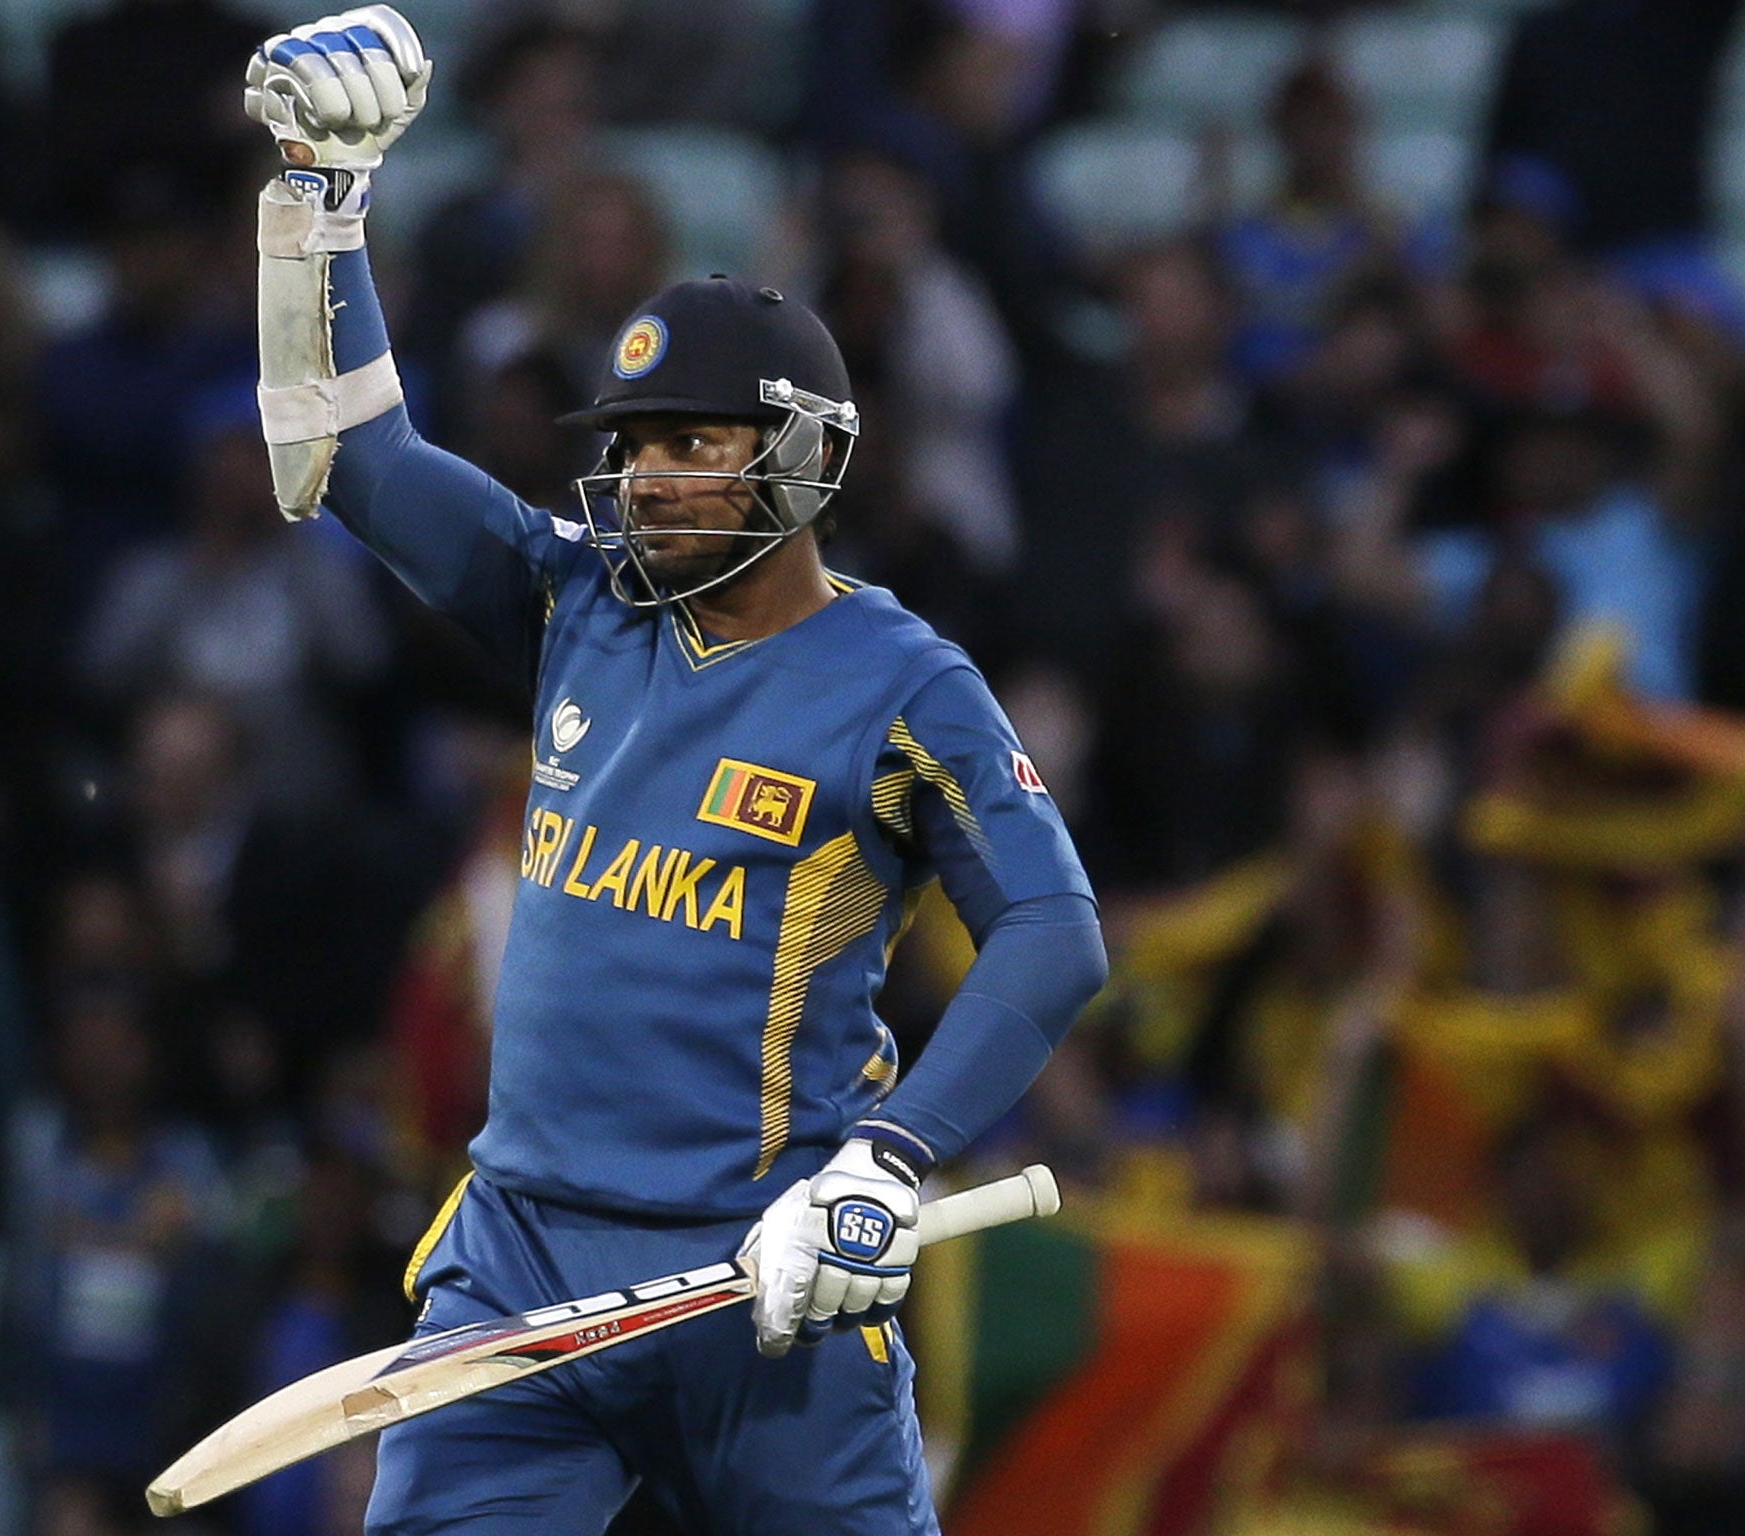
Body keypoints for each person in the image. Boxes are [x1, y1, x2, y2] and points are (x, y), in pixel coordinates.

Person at [239, 9, 1108, 1533]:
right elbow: (350, 457)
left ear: (803, 459)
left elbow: (1055, 932)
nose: (644, 473)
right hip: (521, 1260)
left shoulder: (904, 683)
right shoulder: (573, 596)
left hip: (766, 1269)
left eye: (691, 441)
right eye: (632, 441)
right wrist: (322, 199)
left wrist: (889, 1169)